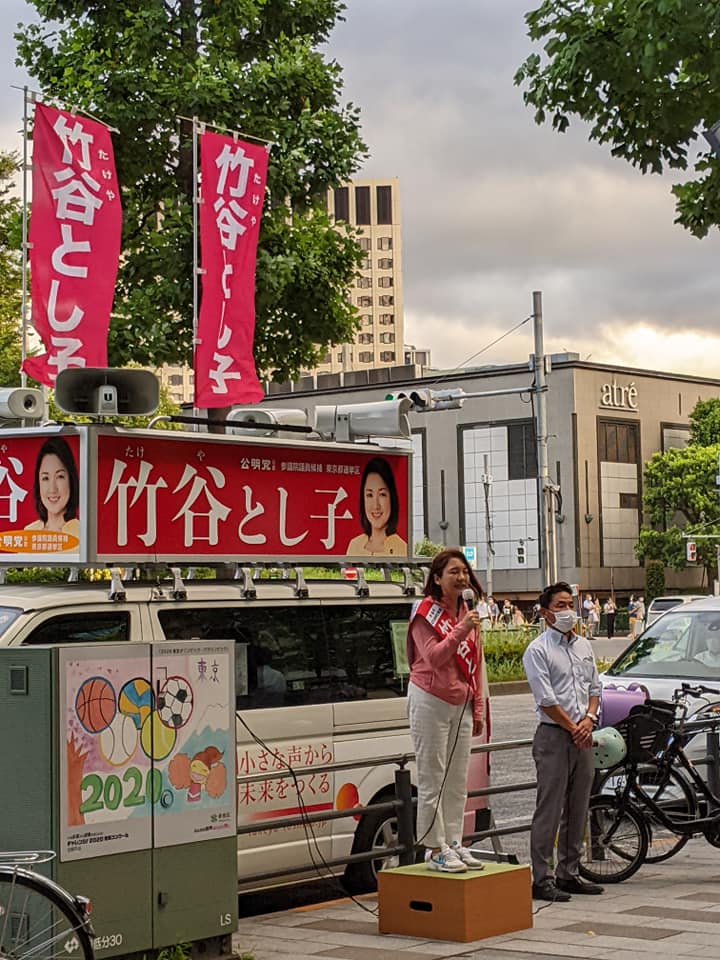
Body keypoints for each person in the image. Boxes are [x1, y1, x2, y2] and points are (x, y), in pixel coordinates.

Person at [406, 548, 487, 873]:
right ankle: (433, 847)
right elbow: (434, 657)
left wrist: (477, 707)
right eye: (453, 572)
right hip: (429, 698)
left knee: (457, 780)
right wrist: (462, 628)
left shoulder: (468, 612)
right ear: (437, 578)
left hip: (462, 703)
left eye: (464, 571)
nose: (461, 577)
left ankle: (454, 842)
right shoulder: (424, 612)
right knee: (432, 777)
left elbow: (476, 662)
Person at [522, 581, 603, 902]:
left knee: (578, 805)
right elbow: (546, 699)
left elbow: (595, 690)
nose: (568, 611)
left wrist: (589, 720)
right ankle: (540, 877)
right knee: (550, 808)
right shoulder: (538, 650)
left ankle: (570, 872)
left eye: (571, 604)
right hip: (554, 736)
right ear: (545, 613)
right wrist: (573, 727)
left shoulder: (584, 646)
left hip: (583, 734)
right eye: (560, 606)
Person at [346, 457, 408, 557]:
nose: (376, 505)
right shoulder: (354, 545)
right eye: (369, 495)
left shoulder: (402, 549)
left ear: (391, 498)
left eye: (382, 494)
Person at [25, 436, 80, 538]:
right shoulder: (29, 533)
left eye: (60, 476)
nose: (52, 489)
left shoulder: (83, 534)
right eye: (45, 478)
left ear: (71, 480)